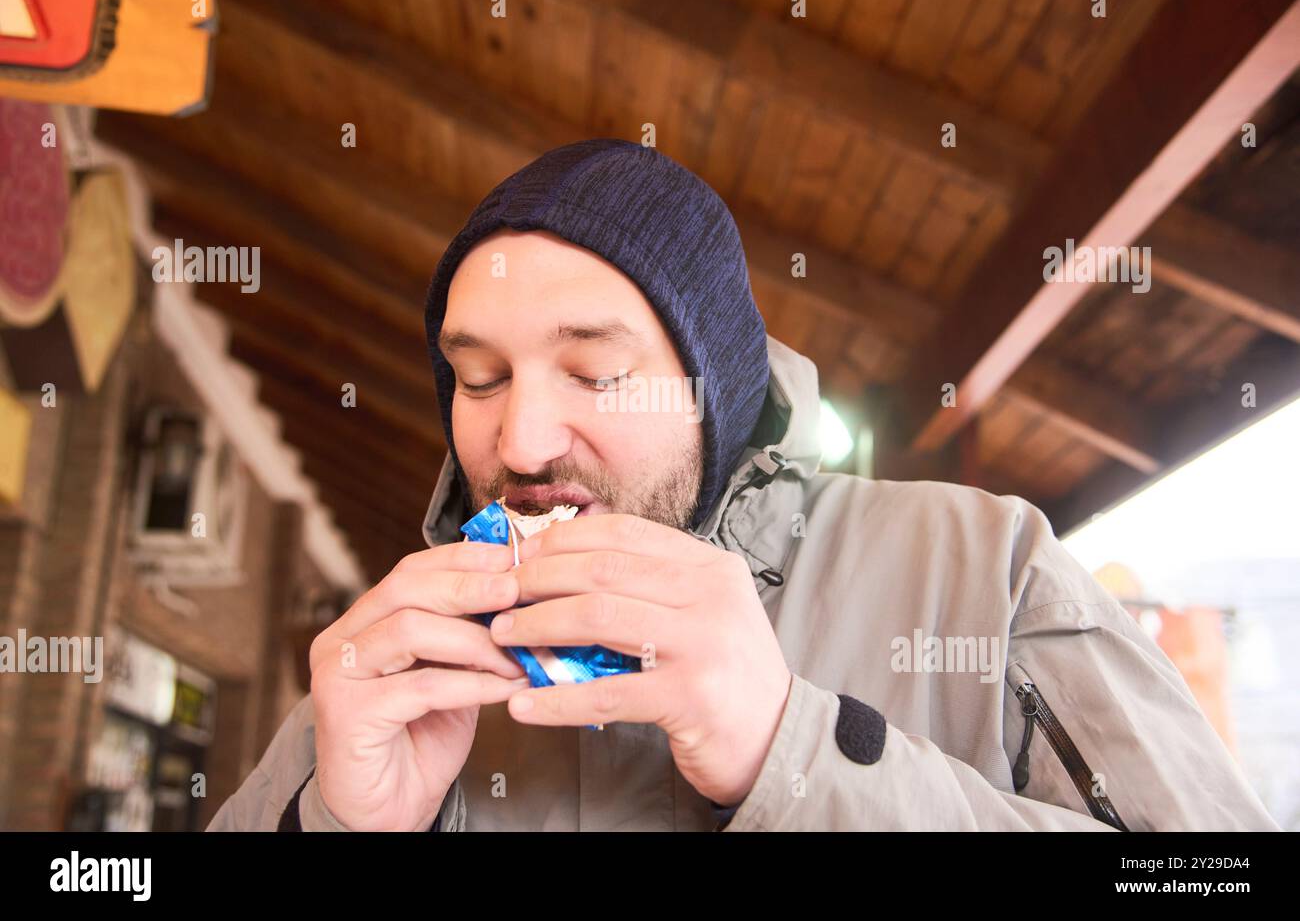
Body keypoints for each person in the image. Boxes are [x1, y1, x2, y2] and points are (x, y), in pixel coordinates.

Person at [208, 139, 1277, 831]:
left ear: (711, 390)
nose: (522, 440)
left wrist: (793, 754)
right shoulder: (403, 658)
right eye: (479, 377)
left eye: (596, 372)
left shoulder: (981, 572)